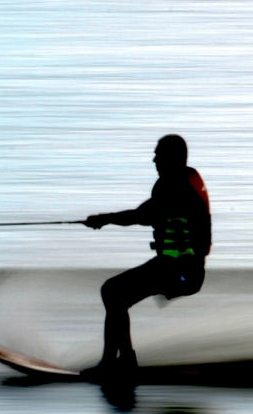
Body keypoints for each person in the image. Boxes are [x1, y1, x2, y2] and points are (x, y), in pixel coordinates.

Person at [81, 134, 211, 380]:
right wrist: (106, 218)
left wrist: (105, 218)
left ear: (173, 157)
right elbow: (149, 212)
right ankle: (121, 362)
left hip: (182, 270)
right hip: (179, 267)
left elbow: (142, 215)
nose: (153, 159)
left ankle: (116, 364)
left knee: (112, 291)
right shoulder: (179, 181)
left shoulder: (178, 186)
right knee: (114, 294)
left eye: (158, 154)